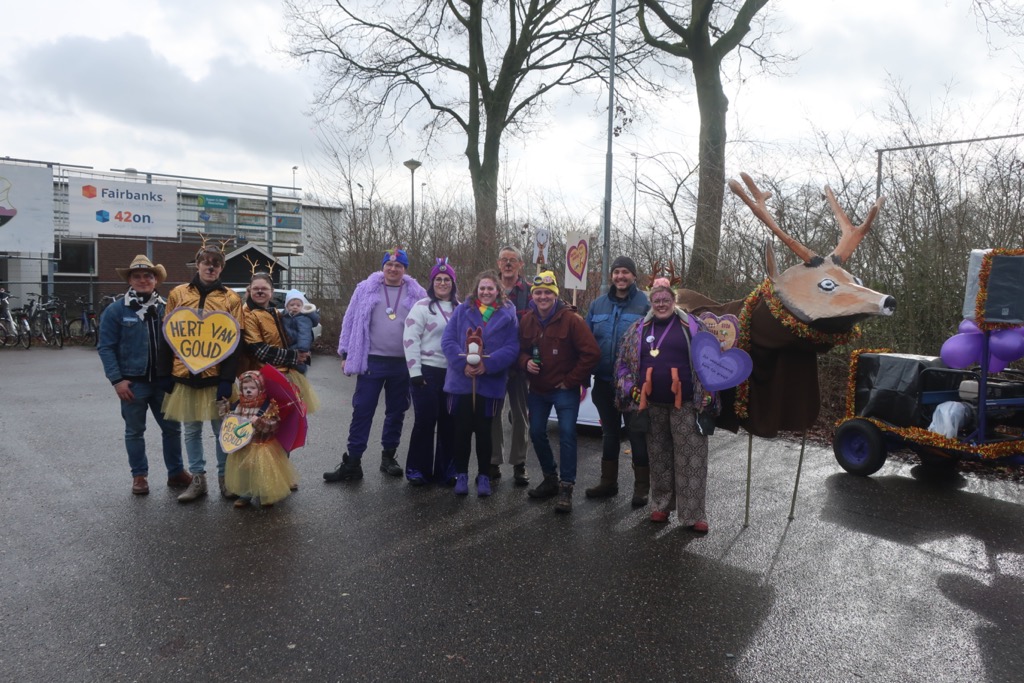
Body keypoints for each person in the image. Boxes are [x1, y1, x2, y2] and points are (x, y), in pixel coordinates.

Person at [614, 280, 719, 531]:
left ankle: (694, 515)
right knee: (659, 458)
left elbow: (712, 362)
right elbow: (622, 364)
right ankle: (661, 506)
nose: (661, 304)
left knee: (692, 459)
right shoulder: (637, 330)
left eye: (666, 300)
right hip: (652, 405)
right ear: (650, 303)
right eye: (656, 300)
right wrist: (631, 388)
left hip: (688, 405)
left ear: (674, 301)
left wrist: (710, 393)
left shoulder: (693, 326)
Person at [324, 248, 427, 482]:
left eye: (398, 265)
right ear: (383, 267)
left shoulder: (417, 293)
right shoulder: (365, 289)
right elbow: (350, 319)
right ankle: (353, 462)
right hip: (372, 360)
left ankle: (388, 457)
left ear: (405, 269)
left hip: (403, 363)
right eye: (389, 265)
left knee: (397, 411)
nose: (393, 269)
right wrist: (345, 352)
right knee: (362, 410)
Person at [162, 241, 245, 503]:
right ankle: (198, 480)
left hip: (216, 378)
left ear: (221, 268)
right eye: (206, 262)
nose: (211, 267)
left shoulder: (231, 298)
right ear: (197, 265)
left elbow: (236, 342)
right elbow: (167, 335)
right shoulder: (178, 294)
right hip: (185, 376)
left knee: (222, 431)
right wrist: (165, 373)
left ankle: (225, 479)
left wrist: (227, 379)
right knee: (191, 431)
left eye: (216, 264)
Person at [97, 255, 188, 495]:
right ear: (130, 280)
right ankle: (139, 476)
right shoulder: (116, 311)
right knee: (135, 432)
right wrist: (117, 380)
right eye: (136, 276)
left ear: (156, 280)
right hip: (132, 384)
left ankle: (176, 472)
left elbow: (181, 344)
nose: (143, 280)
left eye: (148, 276)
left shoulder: (168, 309)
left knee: (172, 430)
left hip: (163, 382)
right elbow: (105, 347)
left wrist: (179, 376)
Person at [518, 271, 600, 513]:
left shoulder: (572, 320)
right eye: (538, 293)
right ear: (533, 296)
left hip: (564, 390)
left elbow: (592, 353)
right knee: (536, 432)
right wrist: (525, 362)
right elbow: (519, 350)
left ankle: (566, 486)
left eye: (547, 293)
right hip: (538, 389)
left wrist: (571, 380)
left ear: (555, 295)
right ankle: (550, 478)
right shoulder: (527, 320)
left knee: (566, 434)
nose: (542, 297)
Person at [441, 270, 520, 497]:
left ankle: (484, 475)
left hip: (489, 383)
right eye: (482, 288)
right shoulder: (462, 310)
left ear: (498, 291)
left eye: (490, 288)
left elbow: (512, 346)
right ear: (477, 290)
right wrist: (462, 364)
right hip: (462, 381)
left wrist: (489, 364)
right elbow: (448, 340)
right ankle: (462, 474)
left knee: (485, 431)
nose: (486, 292)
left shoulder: (509, 314)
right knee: (462, 430)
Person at [584, 255, 651, 506]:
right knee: (610, 434)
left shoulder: (646, 304)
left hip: (634, 385)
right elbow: (586, 341)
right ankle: (608, 483)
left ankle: (642, 488)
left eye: (625, 272)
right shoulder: (597, 305)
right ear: (612, 276)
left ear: (634, 276)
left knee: (637, 434)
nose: (620, 276)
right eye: (616, 272)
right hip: (603, 382)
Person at [403, 258, 459, 486]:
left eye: (447, 279)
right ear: (432, 283)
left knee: (449, 423)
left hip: (452, 374)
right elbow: (410, 338)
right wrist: (415, 371)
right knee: (425, 421)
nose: (442, 283)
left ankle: (446, 471)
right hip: (426, 372)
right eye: (438, 279)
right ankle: (418, 469)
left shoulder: (460, 308)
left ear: (453, 283)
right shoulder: (422, 306)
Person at [242, 274, 319, 415]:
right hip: (262, 378)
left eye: (264, 288)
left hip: (285, 374)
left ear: (271, 292)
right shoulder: (247, 315)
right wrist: (294, 356)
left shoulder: (276, 312)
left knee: (291, 419)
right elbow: (260, 351)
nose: (260, 291)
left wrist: (304, 349)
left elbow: (293, 336)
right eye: (256, 288)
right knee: (266, 422)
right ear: (250, 290)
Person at [219, 371, 297, 508]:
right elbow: (229, 422)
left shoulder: (268, 406)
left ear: (260, 388)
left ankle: (266, 493)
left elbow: (274, 425)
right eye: (245, 388)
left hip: (262, 446)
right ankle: (245, 494)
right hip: (244, 446)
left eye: (252, 388)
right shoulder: (238, 405)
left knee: (263, 471)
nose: (248, 391)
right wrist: (224, 408)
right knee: (245, 472)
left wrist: (260, 422)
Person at [489, 246, 532, 486]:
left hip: (519, 365)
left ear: (520, 265)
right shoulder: (488, 290)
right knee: (493, 413)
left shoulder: (530, 292)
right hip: (494, 364)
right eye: (504, 259)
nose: (507, 264)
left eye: (512, 260)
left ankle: (519, 464)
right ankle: (493, 461)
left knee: (520, 415)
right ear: (498, 263)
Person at [280, 289, 320, 375]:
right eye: (292, 305)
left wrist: (302, 349)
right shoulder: (284, 317)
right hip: (287, 347)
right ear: (286, 306)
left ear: (302, 307)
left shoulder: (303, 318)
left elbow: (305, 334)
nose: (295, 307)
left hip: (299, 347)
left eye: (298, 305)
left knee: (299, 367)